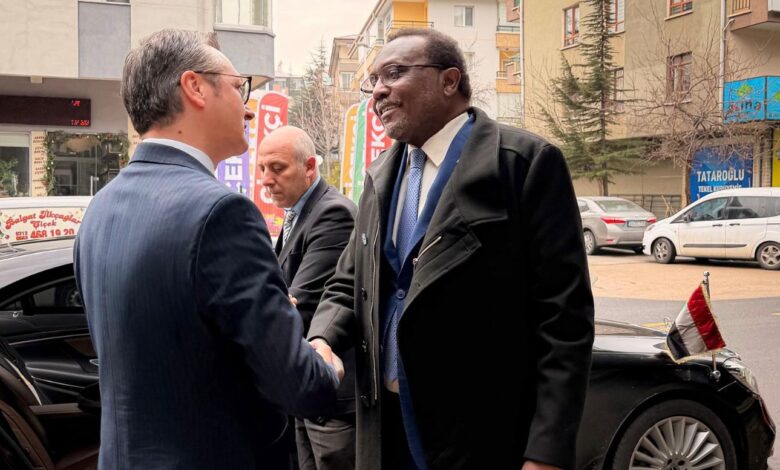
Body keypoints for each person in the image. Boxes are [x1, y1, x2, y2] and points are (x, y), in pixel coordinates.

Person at [308, 28, 595, 470]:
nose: (378, 91)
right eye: (373, 81)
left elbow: (564, 320)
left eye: (394, 73)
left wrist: (546, 452)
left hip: (481, 436)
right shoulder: (380, 175)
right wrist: (323, 337)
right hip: (384, 430)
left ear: (449, 81)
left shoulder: (523, 164)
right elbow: (349, 281)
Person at [73, 29, 342, 470]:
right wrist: (325, 365)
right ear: (195, 87)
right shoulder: (221, 213)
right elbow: (298, 385)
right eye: (239, 88)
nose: (248, 107)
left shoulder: (100, 208)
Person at [257, 126, 358, 470]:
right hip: (306, 392)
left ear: (310, 167)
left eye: (277, 168)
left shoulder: (333, 214)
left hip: (333, 396)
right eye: (262, 168)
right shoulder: (298, 213)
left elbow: (298, 304)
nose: (266, 180)